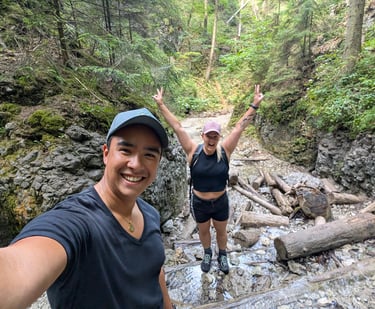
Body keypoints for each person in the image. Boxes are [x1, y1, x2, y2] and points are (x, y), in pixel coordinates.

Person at [0, 108, 174, 309]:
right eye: (126, 150)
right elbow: (19, 266)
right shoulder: (77, 221)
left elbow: (155, 270)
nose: (136, 164)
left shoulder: (150, 214)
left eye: (149, 154)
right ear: (106, 154)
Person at [153, 85, 264, 274]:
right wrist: (161, 105)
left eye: (215, 136)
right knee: (204, 232)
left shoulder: (225, 150)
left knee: (221, 232)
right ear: (203, 136)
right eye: (208, 136)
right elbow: (177, 127)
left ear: (219, 137)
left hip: (220, 201)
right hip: (200, 202)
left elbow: (239, 127)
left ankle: (222, 254)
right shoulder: (192, 151)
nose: (211, 139)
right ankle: (207, 253)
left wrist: (254, 105)